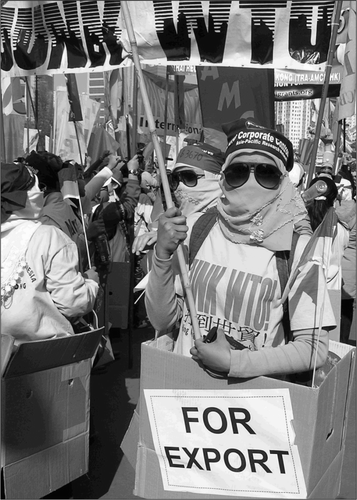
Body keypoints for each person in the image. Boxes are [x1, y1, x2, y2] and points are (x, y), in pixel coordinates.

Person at [145, 119, 336, 379]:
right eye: (238, 172)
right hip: (183, 393)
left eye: (266, 173)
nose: (250, 181)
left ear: (282, 182)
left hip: (251, 406)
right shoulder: (196, 228)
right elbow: (162, 320)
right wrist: (162, 255)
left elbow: (314, 348)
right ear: (224, 178)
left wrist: (236, 362)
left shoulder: (298, 249)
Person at [1, 162, 99, 344]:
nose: (40, 191)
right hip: (41, 355)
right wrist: (92, 283)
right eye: (35, 187)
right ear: (21, 196)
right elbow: (73, 303)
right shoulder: (48, 237)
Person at [132, 141, 225, 255]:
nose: (180, 185)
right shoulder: (169, 222)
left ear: (218, 179)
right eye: (175, 178)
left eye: (189, 177)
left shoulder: (230, 225)